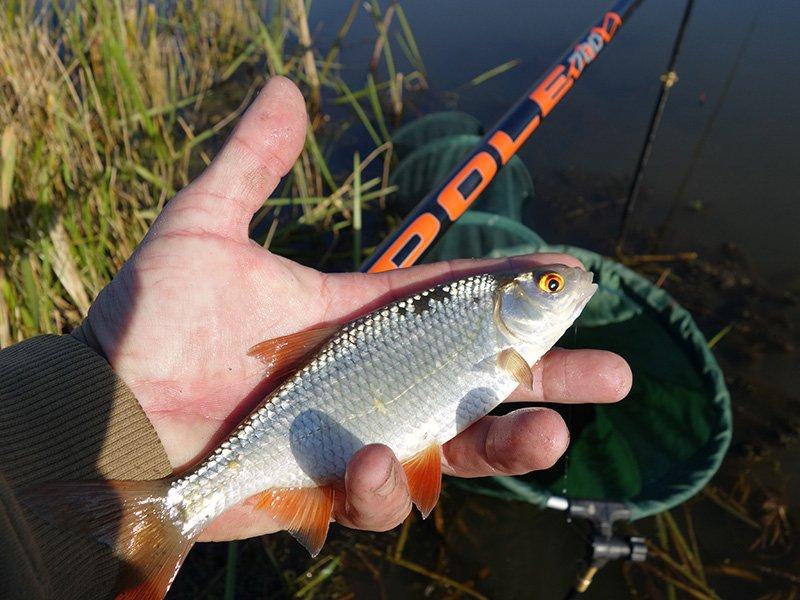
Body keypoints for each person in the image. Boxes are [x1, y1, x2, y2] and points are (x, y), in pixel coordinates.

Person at [0, 77, 632, 597]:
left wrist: (79, 416)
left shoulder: (499, 342)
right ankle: (170, 513)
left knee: (405, 470)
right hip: (236, 433)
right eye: (550, 288)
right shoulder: (492, 333)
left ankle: (152, 514)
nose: (567, 287)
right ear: (511, 303)